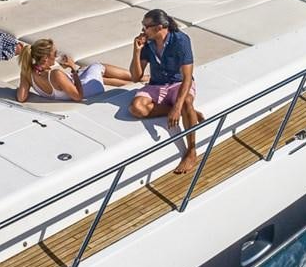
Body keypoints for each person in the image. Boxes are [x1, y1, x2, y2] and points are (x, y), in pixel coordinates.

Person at [128, 9, 204, 175]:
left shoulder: (181, 41)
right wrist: (137, 50)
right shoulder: (148, 44)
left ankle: (191, 150)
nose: (143, 30)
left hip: (178, 83)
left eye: (146, 26)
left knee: (186, 102)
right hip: (157, 85)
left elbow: (187, 77)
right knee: (136, 108)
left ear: (159, 27)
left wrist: (178, 107)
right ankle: (188, 113)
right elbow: (135, 77)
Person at [16, 38, 132, 103]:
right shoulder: (56, 75)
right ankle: (137, 77)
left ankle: (129, 82)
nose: (57, 56)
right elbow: (78, 97)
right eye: (55, 54)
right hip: (89, 90)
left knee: (84, 69)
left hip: (69, 86)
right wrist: (72, 68)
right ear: (46, 58)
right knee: (97, 66)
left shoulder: (27, 71)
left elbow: (21, 97)